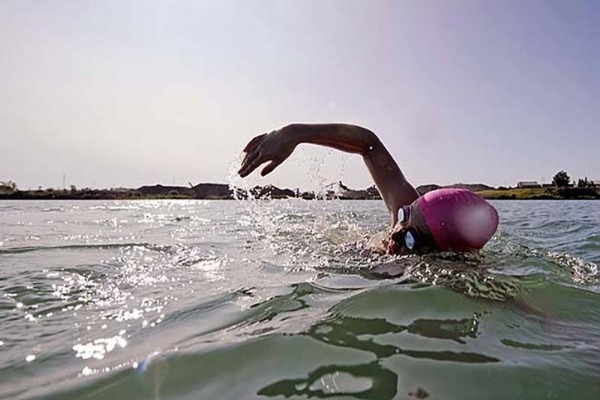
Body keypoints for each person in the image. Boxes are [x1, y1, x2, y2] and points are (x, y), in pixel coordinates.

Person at [238, 123, 499, 255]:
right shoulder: (407, 215)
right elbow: (370, 144)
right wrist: (294, 133)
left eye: (411, 240)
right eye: (402, 216)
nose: (396, 233)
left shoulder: (447, 278)